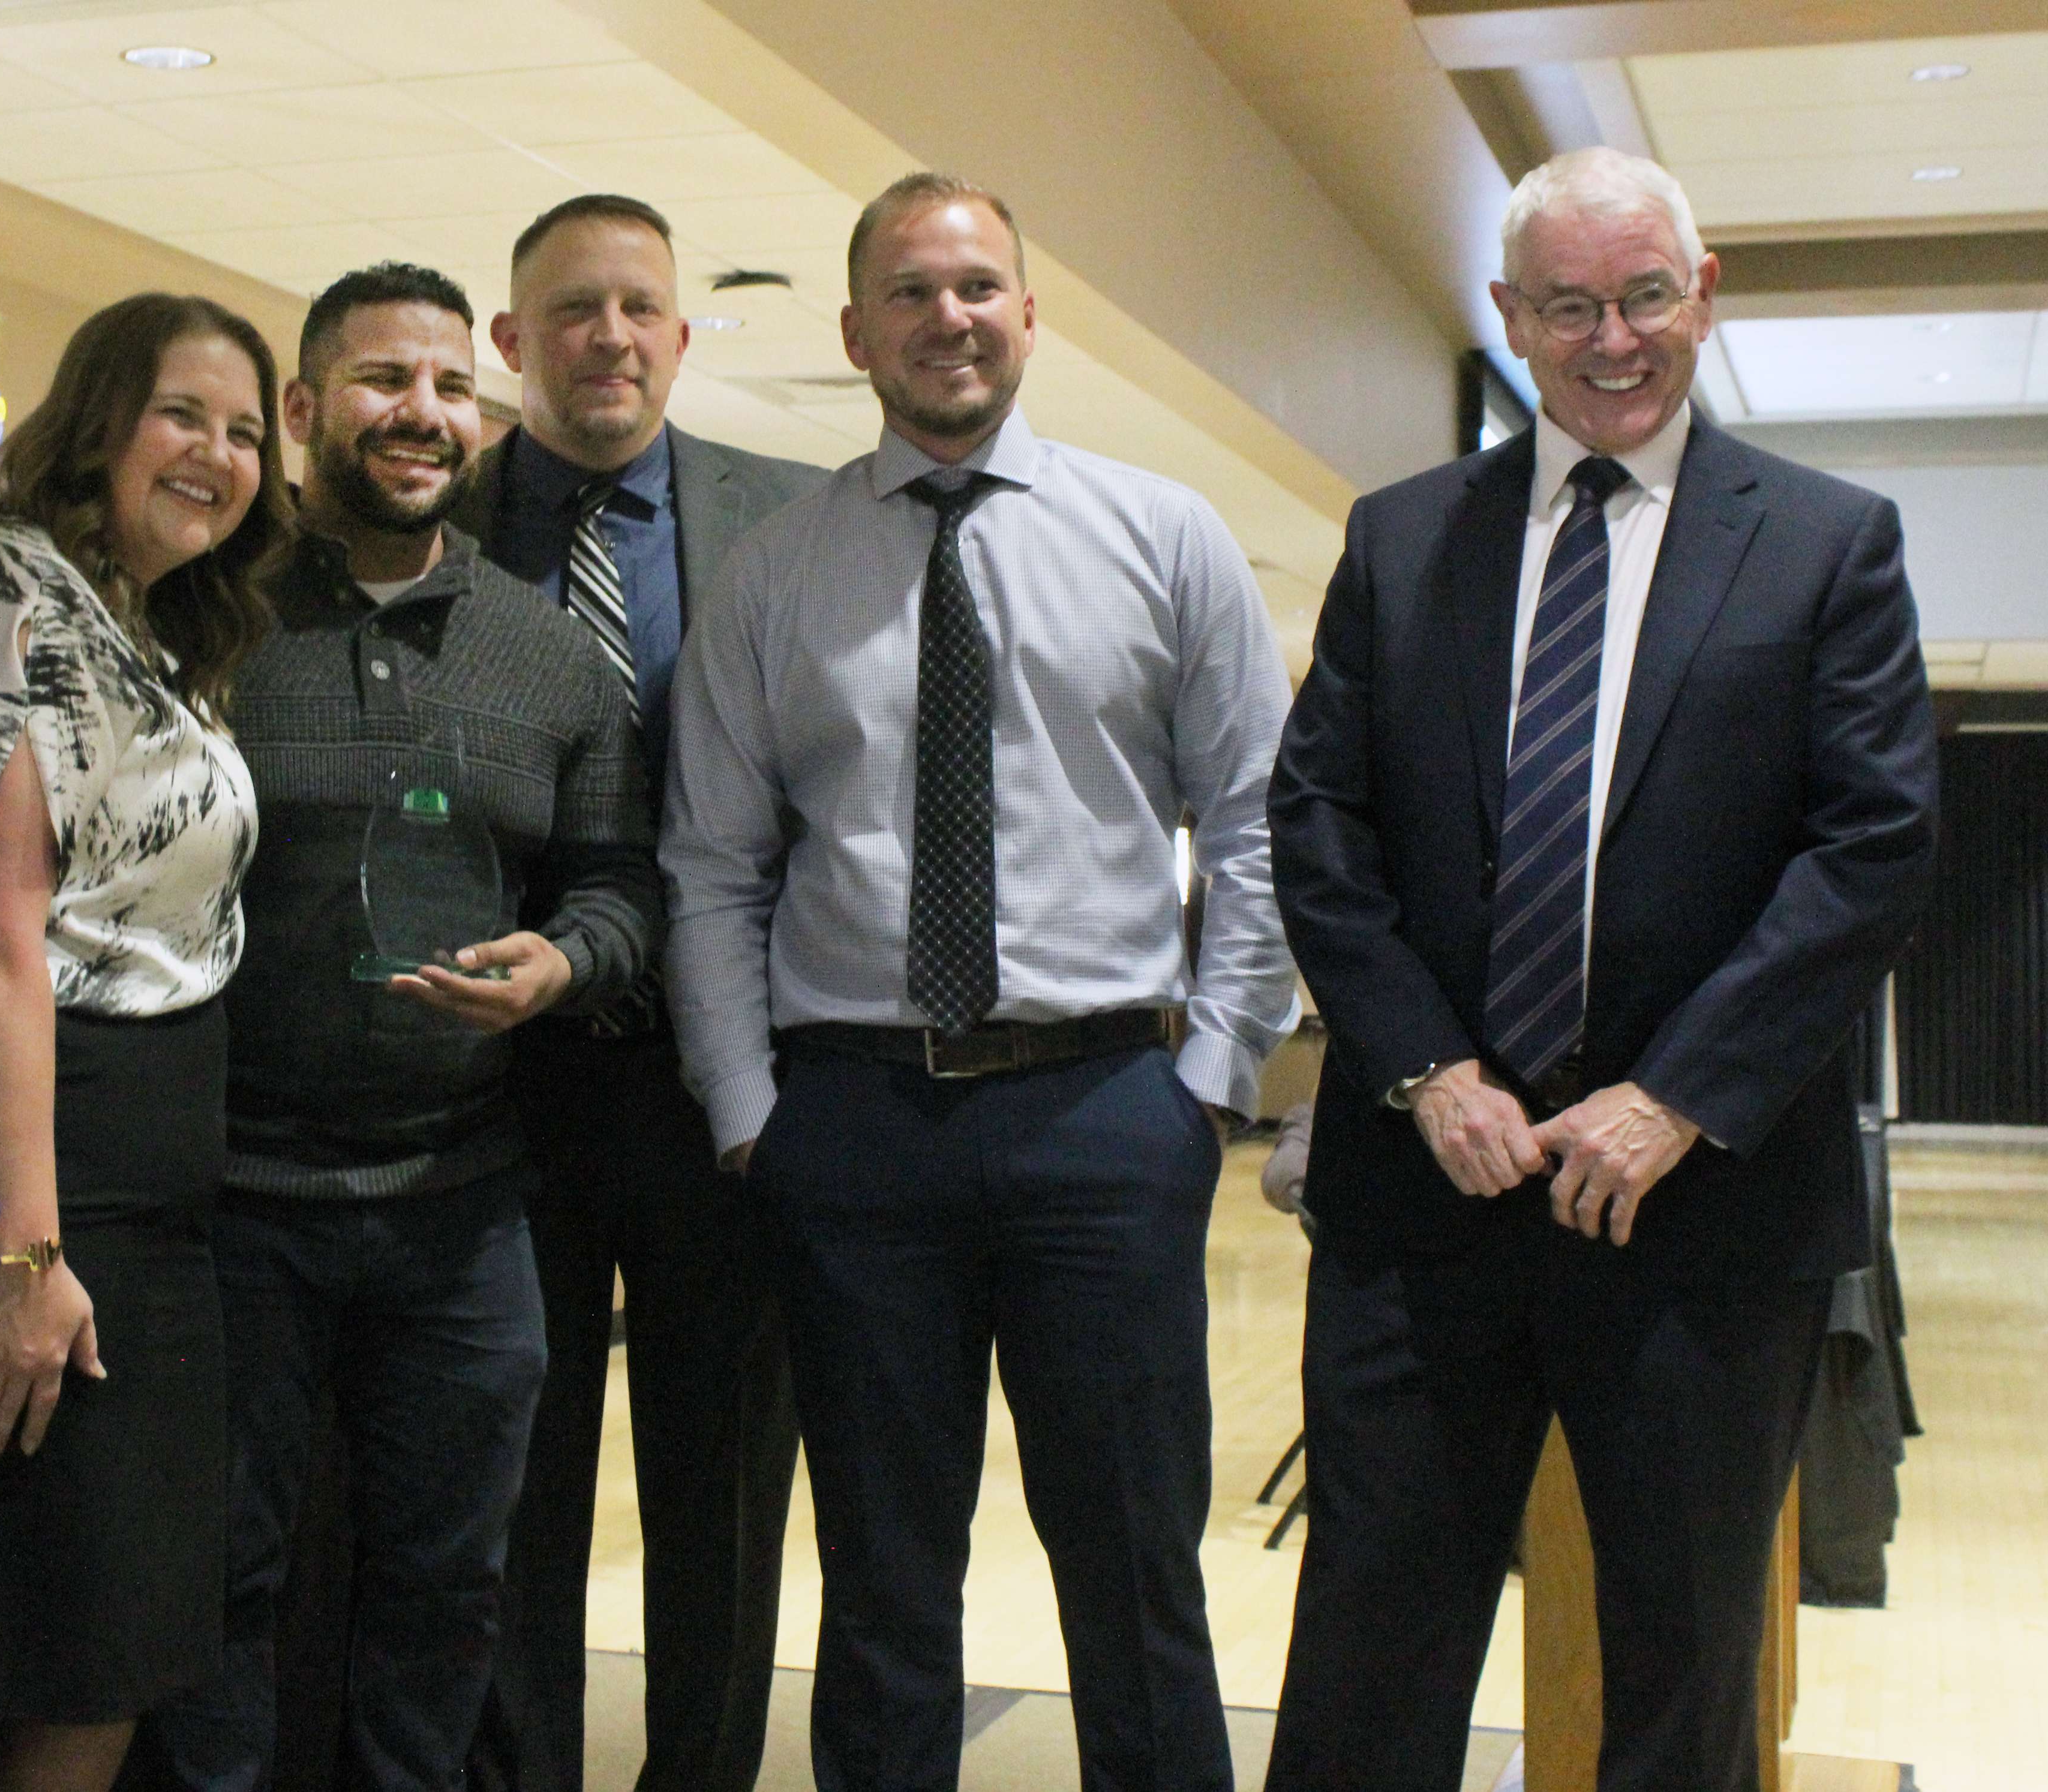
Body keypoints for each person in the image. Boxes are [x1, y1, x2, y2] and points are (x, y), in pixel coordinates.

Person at [1262, 147, 1938, 1791]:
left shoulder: (1827, 545)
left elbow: (1870, 847)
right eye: (1568, 305)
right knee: (1368, 1648)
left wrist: (1680, 1097)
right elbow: (1319, 821)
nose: (1612, 338)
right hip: (1427, 1198)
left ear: (1703, 298)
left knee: (1682, 1658)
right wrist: (1427, 1071)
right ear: (1510, 317)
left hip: (1701, 1214)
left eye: (1644, 296)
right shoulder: (1405, 536)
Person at [661, 173, 1296, 1792]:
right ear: (856, 329)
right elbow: (714, 868)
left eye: (978, 286)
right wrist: (751, 1114)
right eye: (911, 290)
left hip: (1106, 1114)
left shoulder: (1162, 538)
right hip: (855, 1131)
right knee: (880, 1588)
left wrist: (1212, 1075)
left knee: (1136, 1574)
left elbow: (1258, 821)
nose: (949, 316)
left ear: (1029, 311)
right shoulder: (774, 575)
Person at [162, 261, 659, 1792]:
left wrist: (567, 966)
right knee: (221, 1589)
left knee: (451, 1593)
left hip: (462, 1212)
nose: (421, 415)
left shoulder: (551, 655)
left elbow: (624, 884)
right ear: (305, 410)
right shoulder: (201, 623)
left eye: (451, 387)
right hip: (230, 1206)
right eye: (383, 382)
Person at [0, 294, 296, 1792]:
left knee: (101, 1655)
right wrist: (21, 1255)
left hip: (153, 1226)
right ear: (99, 418)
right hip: (44, 1197)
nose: (217, 455)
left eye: (245, 432)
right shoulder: (10, 590)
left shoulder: (147, 629)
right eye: (184, 415)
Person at [449, 193, 817, 1792]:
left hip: (723, 1093)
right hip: (497, 1093)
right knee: (509, 1489)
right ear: (512, 341)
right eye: (574, 311)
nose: (610, 338)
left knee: (724, 1488)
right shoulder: (433, 527)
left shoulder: (795, 519)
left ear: (680, 333)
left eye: (640, 309)